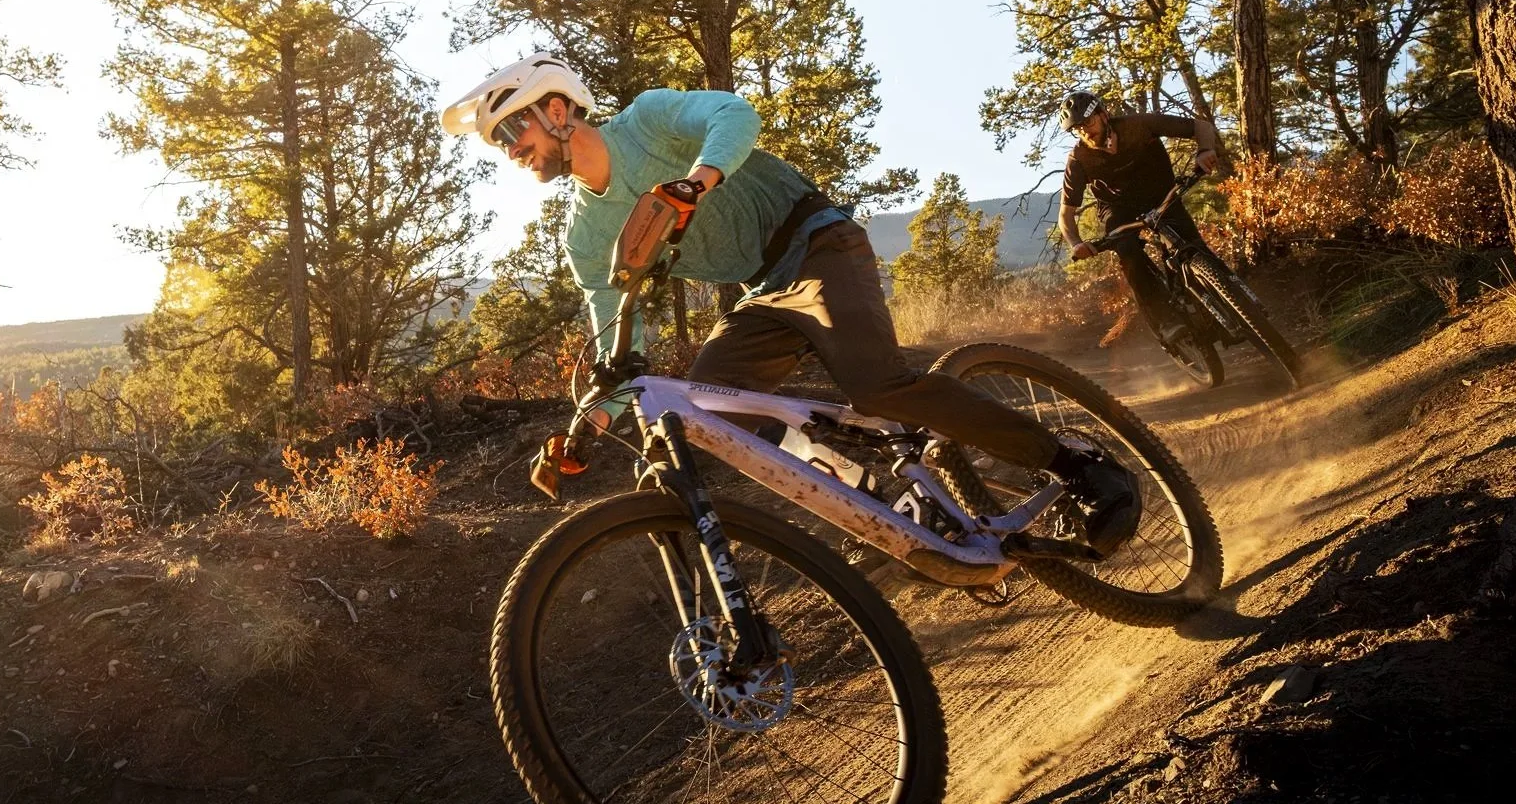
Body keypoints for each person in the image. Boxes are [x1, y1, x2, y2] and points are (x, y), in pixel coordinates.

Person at [441, 53, 1141, 559]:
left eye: (512, 130)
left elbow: (734, 114)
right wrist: (587, 424)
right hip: (762, 291)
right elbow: (611, 334)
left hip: (816, 239)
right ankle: (889, 500)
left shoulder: (647, 122)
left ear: (558, 110)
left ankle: (1078, 466)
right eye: (501, 143)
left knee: (876, 384)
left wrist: (697, 182)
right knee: (711, 413)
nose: (510, 151)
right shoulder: (585, 233)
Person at [1055, 92, 1222, 349]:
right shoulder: (1078, 159)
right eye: (1077, 129)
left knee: (1192, 245)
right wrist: (1076, 243)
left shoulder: (1139, 125)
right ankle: (1165, 321)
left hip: (1161, 194)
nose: (1084, 132)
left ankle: (1228, 300)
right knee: (1128, 252)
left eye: (1087, 122)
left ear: (1103, 115)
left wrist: (1205, 150)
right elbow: (1066, 214)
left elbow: (1201, 126)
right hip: (1118, 210)